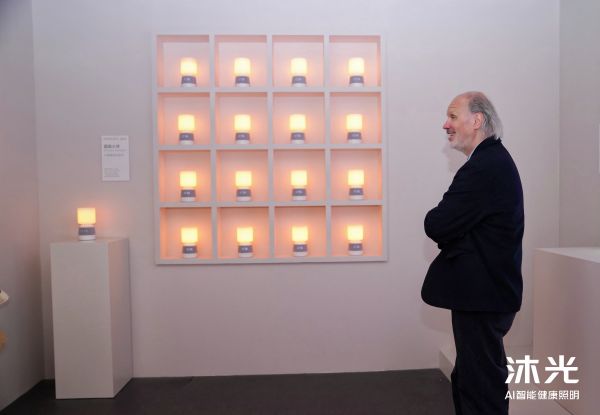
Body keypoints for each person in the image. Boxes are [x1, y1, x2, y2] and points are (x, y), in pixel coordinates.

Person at [421, 91, 524, 415]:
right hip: (485, 294)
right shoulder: (491, 162)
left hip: (483, 296)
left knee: (480, 388)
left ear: (477, 120)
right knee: (472, 379)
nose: (445, 124)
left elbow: (437, 223)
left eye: (453, 116)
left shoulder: (483, 167)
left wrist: (454, 231)